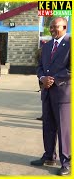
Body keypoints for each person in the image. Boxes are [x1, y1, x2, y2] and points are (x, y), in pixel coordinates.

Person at [31, 17, 71, 176]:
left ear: (65, 27)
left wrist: (53, 80)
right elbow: (40, 67)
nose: (52, 30)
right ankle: (49, 156)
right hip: (47, 93)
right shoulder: (46, 46)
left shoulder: (71, 44)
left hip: (63, 94)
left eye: (56, 27)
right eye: (51, 27)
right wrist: (42, 78)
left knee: (64, 130)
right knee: (48, 126)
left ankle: (66, 162)